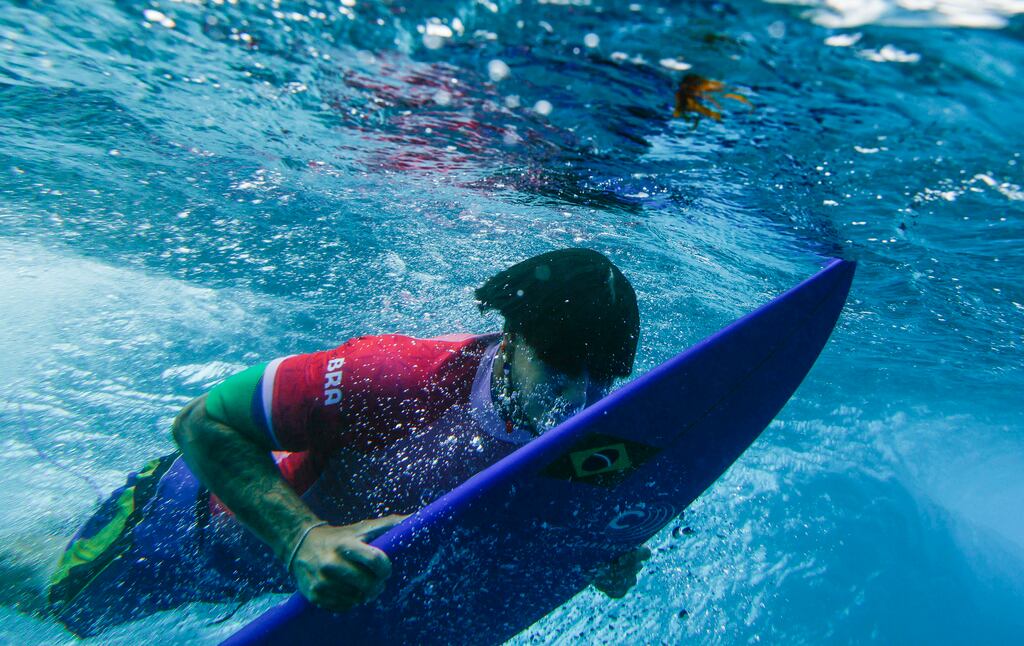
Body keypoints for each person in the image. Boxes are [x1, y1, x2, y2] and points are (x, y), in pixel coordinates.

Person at [42, 248, 650, 636]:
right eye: (565, 374)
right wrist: (301, 538)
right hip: (182, 528)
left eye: (606, 380)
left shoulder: (591, 427)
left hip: (272, 580)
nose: (583, 402)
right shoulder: (396, 376)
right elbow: (201, 421)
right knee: (42, 601)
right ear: (512, 336)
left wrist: (591, 554)